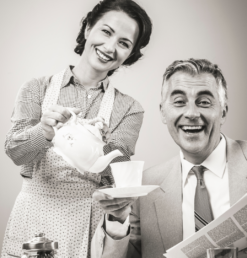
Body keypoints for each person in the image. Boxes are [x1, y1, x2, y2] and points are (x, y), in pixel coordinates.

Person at [1, 0, 152, 257]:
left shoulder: (129, 108)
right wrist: (44, 131)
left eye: (124, 43)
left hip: (88, 220)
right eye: (106, 31)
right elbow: (15, 153)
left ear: (130, 55)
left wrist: (96, 141)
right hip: (33, 218)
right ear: (88, 29)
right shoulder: (36, 88)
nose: (110, 47)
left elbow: (119, 175)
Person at [91, 58, 247, 258]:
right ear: (163, 112)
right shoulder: (143, 187)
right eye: (180, 102)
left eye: (204, 102)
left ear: (223, 112)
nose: (191, 113)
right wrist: (119, 221)